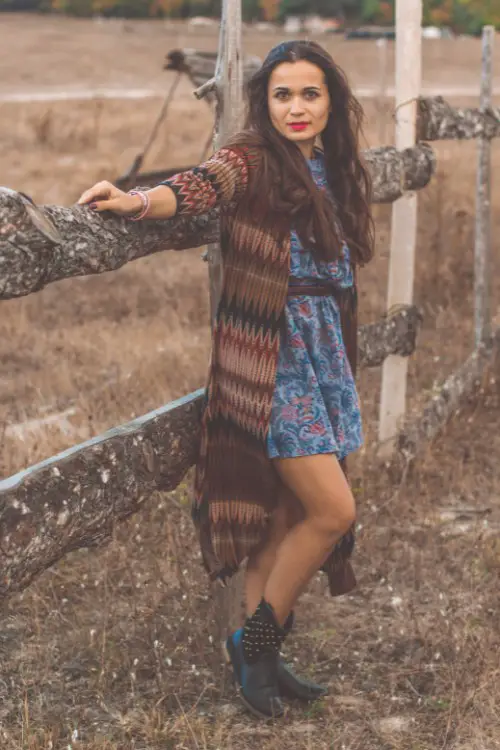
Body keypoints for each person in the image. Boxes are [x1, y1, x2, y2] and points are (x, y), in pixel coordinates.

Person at [78, 39, 374, 719]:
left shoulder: (329, 164)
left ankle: (264, 658)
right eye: (282, 94)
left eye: (310, 93)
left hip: (323, 351)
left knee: (287, 516)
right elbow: (200, 185)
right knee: (333, 511)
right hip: (274, 356)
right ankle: (253, 644)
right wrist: (137, 200)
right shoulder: (254, 157)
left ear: (331, 101)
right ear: (263, 103)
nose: (296, 108)